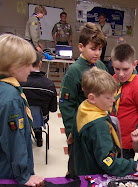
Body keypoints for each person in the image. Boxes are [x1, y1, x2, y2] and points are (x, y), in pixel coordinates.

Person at [0, 34, 44, 187]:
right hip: (12, 172)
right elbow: (15, 141)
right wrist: (24, 176)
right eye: (27, 64)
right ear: (13, 66)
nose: (30, 68)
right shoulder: (11, 98)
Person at [73, 67, 138, 176]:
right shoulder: (98, 125)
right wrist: (133, 165)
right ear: (92, 98)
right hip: (95, 175)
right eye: (109, 97)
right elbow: (107, 160)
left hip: (82, 168)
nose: (113, 100)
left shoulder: (83, 108)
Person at [59, 22, 107, 175]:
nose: (97, 53)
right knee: (78, 165)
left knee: (96, 162)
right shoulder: (74, 71)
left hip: (99, 125)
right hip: (81, 128)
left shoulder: (101, 66)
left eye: (100, 49)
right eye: (93, 49)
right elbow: (67, 104)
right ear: (81, 47)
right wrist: (71, 129)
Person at [110, 43, 138, 160]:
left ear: (134, 64)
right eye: (117, 69)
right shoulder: (114, 79)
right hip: (111, 137)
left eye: (125, 69)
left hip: (126, 143)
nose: (121, 74)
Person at [20, 52, 57, 147]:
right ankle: (39, 138)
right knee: (37, 114)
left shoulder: (18, 83)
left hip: (21, 119)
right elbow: (53, 109)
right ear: (40, 64)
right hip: (41, 119)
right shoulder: (49, 85)